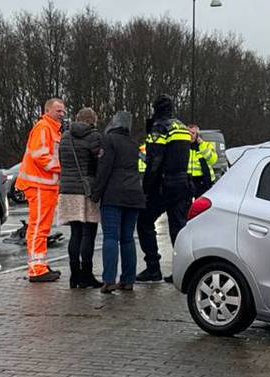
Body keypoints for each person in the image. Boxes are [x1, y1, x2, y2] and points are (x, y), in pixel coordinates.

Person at [135, 94, 194, 283]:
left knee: (144, 222)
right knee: (178, 228)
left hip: (164, 184)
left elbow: (155, 161)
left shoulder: (160, 127)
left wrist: (146, 189)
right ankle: (182, 270)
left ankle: (153, 268)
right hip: (183, 183)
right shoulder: (182, 127)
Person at [92, 111, 146, 293]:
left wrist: (96, 194)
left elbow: (104, 169)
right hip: (134, 194)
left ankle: (109, 280)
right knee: (127, 238)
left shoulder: (108, 140)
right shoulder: (134, 144)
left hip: (113, 195)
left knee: (111, 237)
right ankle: (128, 280)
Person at [16, 97, 64, 282]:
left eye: (63, 111)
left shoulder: (52, 129)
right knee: (38, 227)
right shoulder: (44, 127)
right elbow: (40, 156)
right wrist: (62, 167)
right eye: (58, 110)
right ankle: (37, 269)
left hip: (45, 185)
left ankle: (40, 265)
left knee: (42, 227)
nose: (62, 114)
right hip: (39, 185)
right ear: (48, 111)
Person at [57, 107, 104, 289]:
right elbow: (99, 163)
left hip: (67, 189)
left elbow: (61, 161)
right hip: (86, 190)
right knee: (88, 233)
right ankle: (87, 275)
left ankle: (74, 276)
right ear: (92, 121)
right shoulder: (94, 137)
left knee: (75, 233)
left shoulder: (65, 137)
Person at [186, 124, 218, 198]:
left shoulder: (206, 145)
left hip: (203, 180)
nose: (190, 135)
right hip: (188, 180)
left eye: (193, 133)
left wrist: (201, 145)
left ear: (197, 135)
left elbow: (213, 160)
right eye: (188, 133)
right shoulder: (183, 147)